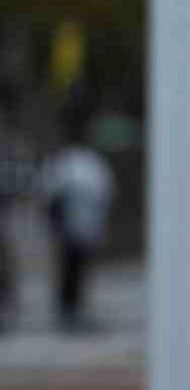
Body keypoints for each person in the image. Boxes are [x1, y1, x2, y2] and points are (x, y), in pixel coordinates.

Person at [42, 115, 115, 332]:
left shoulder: (75, 163)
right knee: (72, 269)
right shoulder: (82, 163)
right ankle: (68, 309)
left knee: (76, 269)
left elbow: (51, 195)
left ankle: (72, 309)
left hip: (80, 225)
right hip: (75, 225)